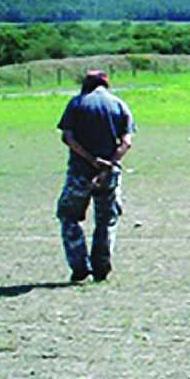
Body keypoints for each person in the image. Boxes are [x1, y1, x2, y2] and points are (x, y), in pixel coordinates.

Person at [56, 70, 135, 283]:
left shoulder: (77, 104)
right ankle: (101, 267)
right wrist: (109, 162)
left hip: (80, 172)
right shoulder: (119, 105)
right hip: (109, 174)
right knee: (106, 220)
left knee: (69, 216)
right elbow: (126, 141)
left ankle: (80, 266)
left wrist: (91, 160)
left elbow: (68, 137)